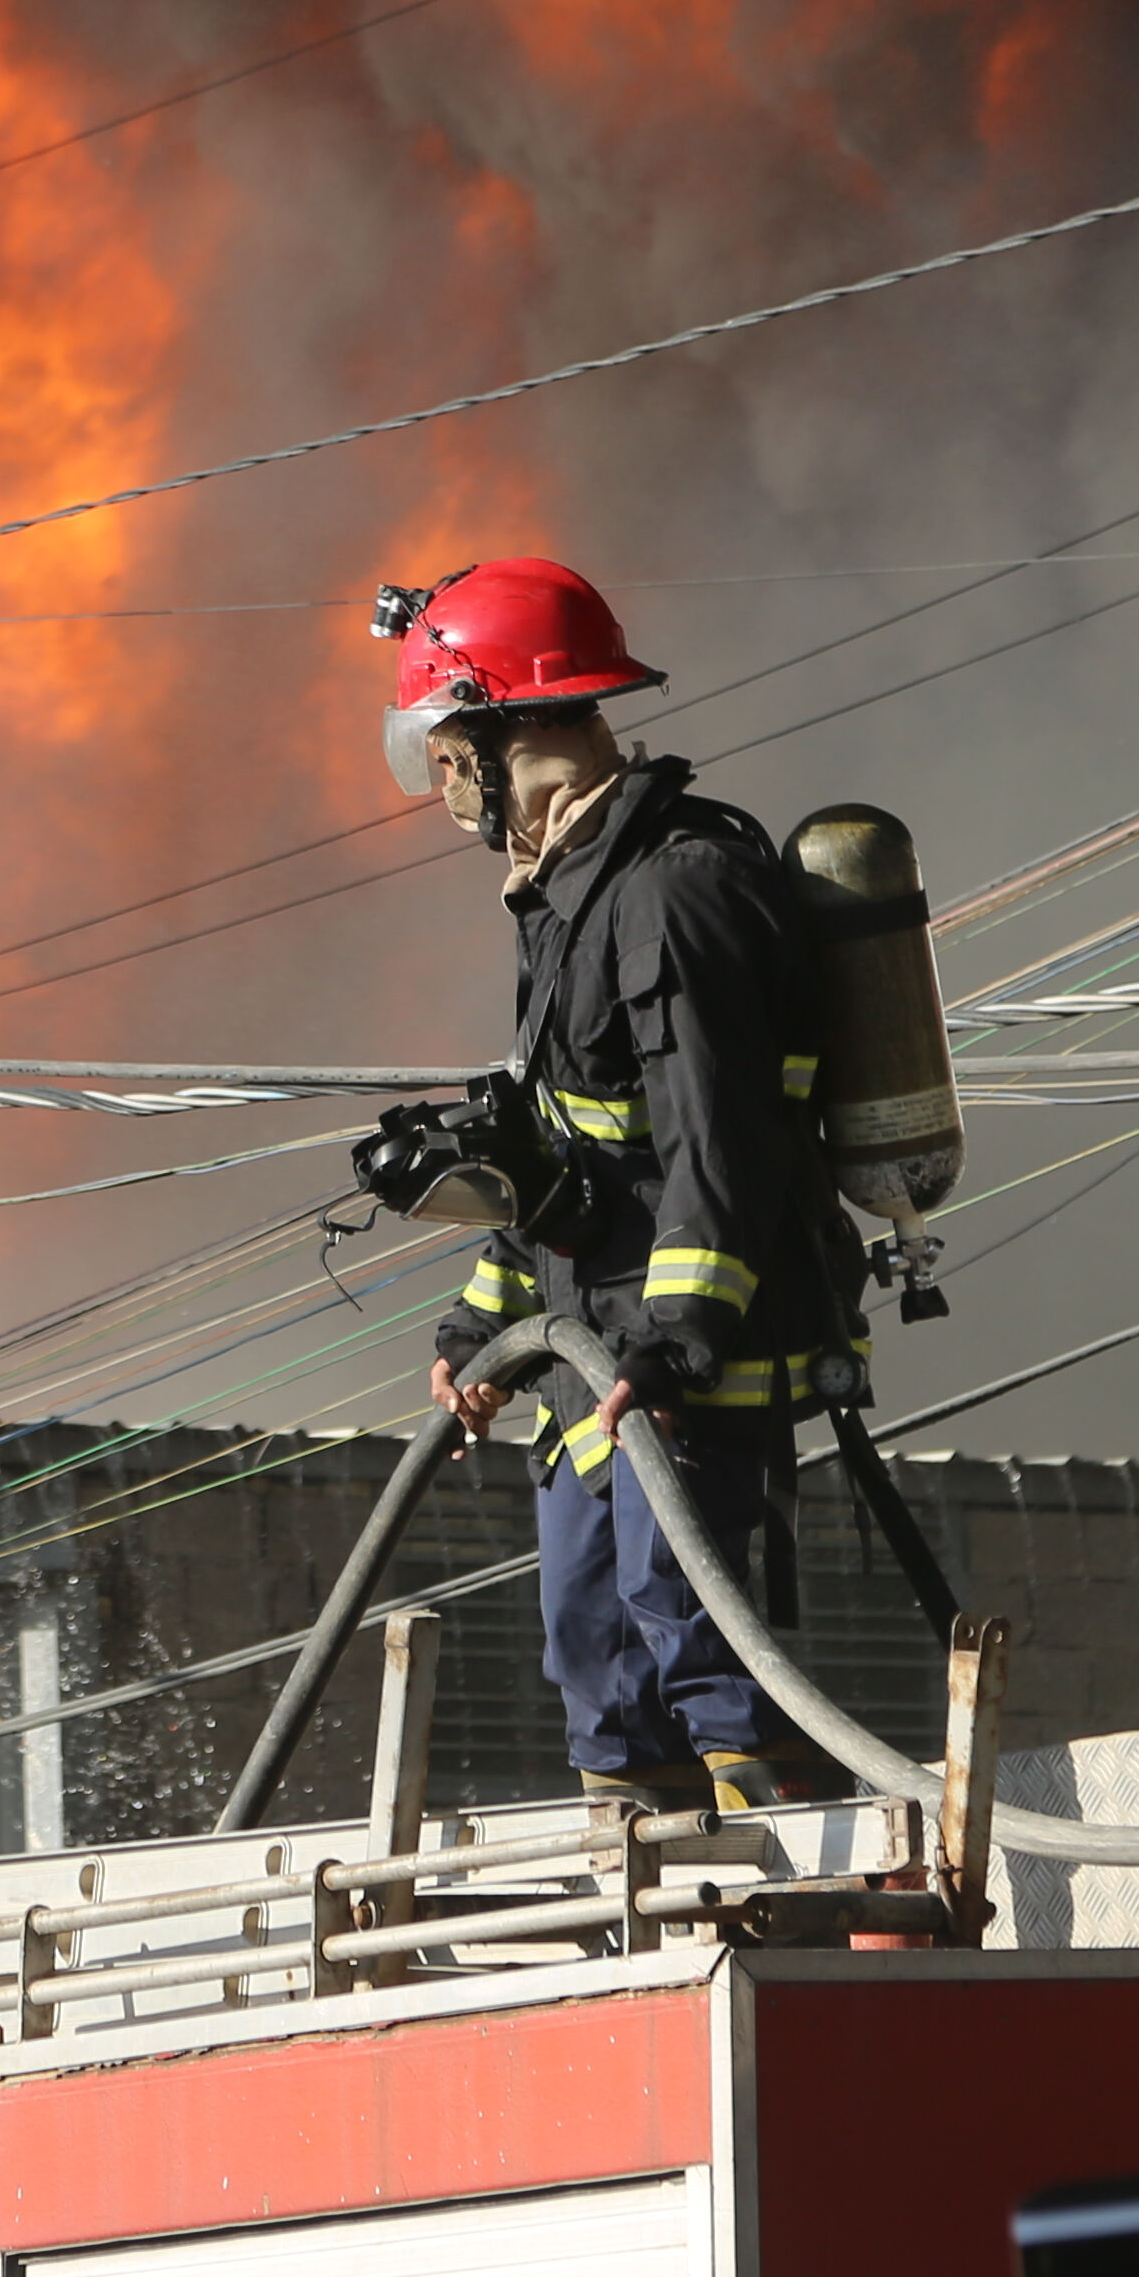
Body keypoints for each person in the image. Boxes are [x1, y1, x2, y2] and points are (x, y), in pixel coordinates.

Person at [380, 557, 867, 1812]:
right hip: (591, 1363)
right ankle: (642, 1900)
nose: (438, 780)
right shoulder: (564, 900)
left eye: (446, 745)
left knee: (703, 1654)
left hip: (685, 1364)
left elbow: (725, 1145)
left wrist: (674, 1339)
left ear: (510, 733)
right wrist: (481, 1321)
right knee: (596, 1665)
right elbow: (572, 1154)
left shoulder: (676, 889)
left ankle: (779, 1916)